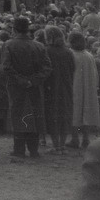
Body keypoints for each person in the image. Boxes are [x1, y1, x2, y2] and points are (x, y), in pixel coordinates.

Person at [1, 16, 52, 158]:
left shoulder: (9, 44)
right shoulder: (39, 46)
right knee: (34, 116)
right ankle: (33, 149)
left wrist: (22, 80)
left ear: (14, 29)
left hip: (16, 87)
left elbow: (7, 67)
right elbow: (47, 68)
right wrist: (33, 81)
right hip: (34, 87)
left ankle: (19, 149)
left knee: (18, 115)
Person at [43, 26, 75, 155]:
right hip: (66, 87)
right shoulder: (68, 52)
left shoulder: (47, 51)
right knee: (64, 114)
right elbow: (73, 69)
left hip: (51, 87)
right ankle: (62, 145)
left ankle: (55, 145)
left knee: (52, 116)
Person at [66, 31, 100, 149]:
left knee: (74, 111)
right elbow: (95, 73)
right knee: (86, 111)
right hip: (88, 88)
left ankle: (75, 138)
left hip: (74, 87)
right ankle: (86, 139)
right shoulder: (89, 55)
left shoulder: (70, 54)